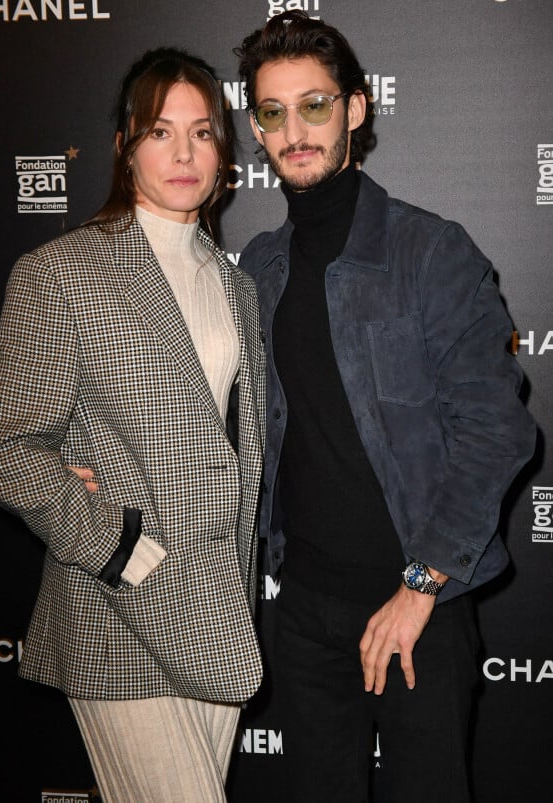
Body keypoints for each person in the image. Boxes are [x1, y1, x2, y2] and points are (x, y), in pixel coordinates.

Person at [234, 11, 536, 803]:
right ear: (257, 127)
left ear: (356, 110)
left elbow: (497, 429)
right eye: (273, 111)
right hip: (303, 614)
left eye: (315, 105)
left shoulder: (432, 252)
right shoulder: (260, 265)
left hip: (419, 611)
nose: (294, 130)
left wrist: (418, 584)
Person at [0, 47, 266, 803]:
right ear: (124, 146)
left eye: (202, 133)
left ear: (223, 153)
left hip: (216, 606)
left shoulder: (238, 287)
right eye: (159, 131)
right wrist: (117, 549)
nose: (182, 152)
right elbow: (6, 448)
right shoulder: (60, 273)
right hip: (118, 608)